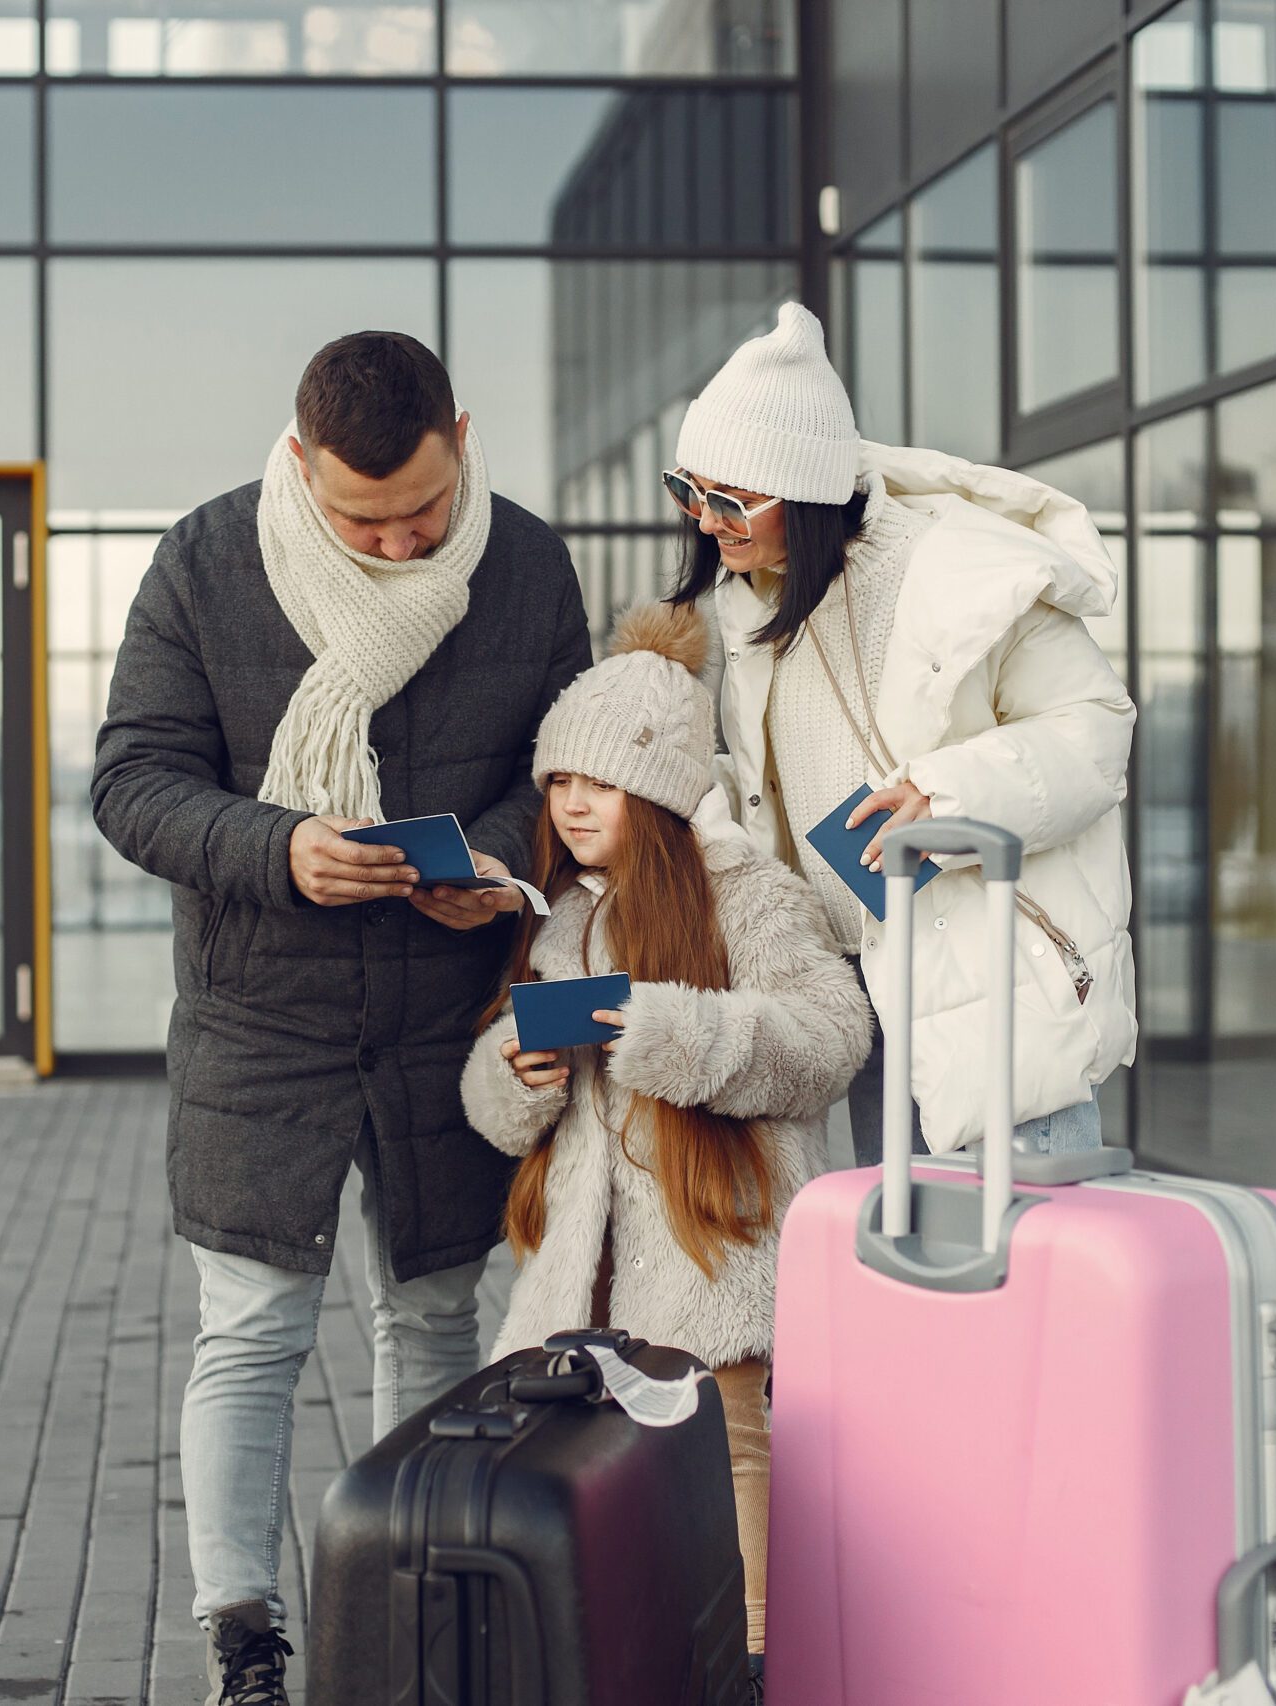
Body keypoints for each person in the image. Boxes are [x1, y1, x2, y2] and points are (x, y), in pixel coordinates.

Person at [91, 331, 593, 1706]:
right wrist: (280, 848)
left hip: (449, 1017)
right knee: (252, 1327)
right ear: (300, 460)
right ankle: (242, 1637)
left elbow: (569, 775)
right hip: (262, 1023)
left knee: (432, 1319)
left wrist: (490, 863)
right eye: (361, 516)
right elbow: (133, 781)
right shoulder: (204, 561)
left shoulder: (531, 566)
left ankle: (414, 1609)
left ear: (465, 435)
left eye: (424, 508)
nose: (398, 536)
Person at [460, 601, 871, 1690]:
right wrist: (516, 1071)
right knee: (611, 1521)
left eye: (596, 780)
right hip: (582, 1288)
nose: (571, 803)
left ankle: (755, 1678)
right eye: (558, 780)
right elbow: (493, 1102)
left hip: (713, 1266)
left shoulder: (750, 896)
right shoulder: (560, 915)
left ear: (663, 786)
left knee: (734, 1497)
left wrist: (667, 1027)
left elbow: (832, 1038)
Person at [664, 301, 1137, 1164]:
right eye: (686, 491)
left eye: (730, 498)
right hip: (860, 985)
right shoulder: (754, 596)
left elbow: (1096, 732)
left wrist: (946, 797)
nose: (703, 519)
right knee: (907, 1264)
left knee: (1021, 1265)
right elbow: (783, 783)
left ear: (805, 491)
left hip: (985, 982)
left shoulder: (965, 573)